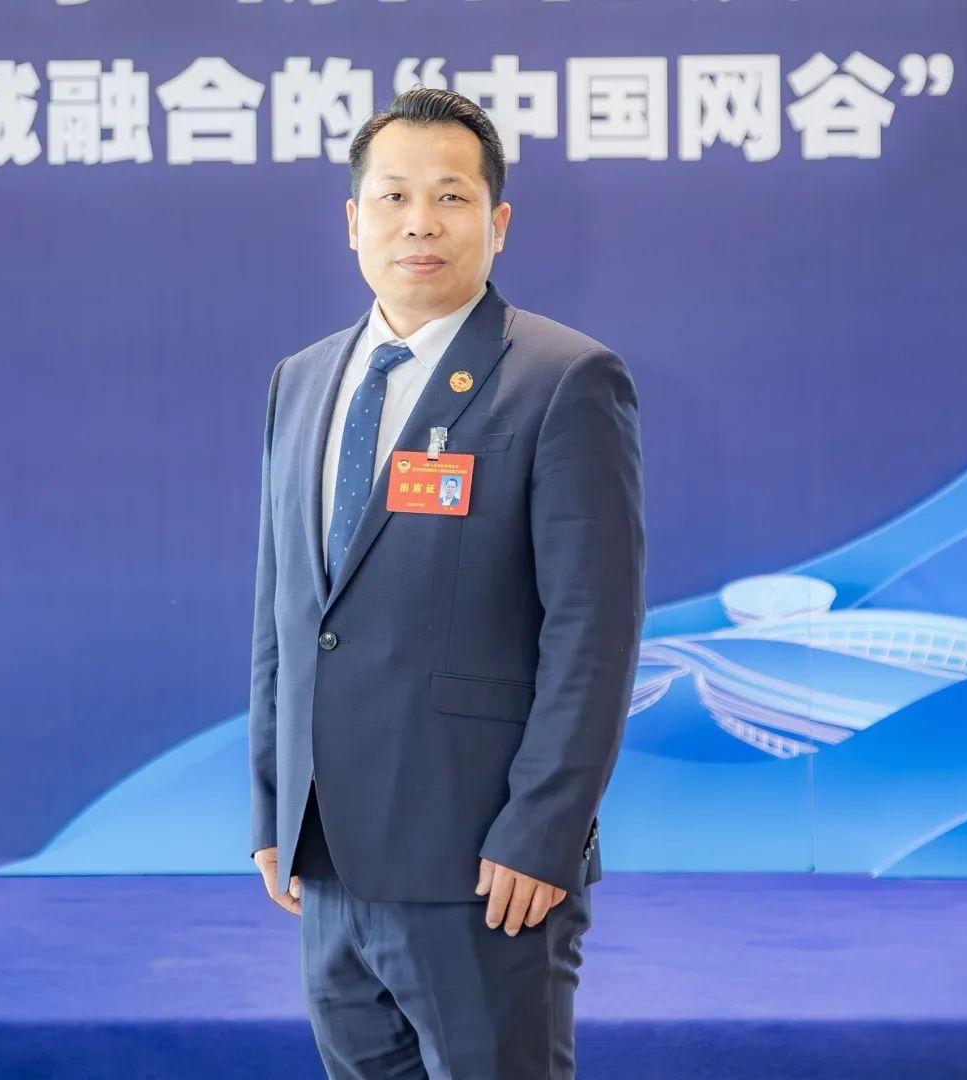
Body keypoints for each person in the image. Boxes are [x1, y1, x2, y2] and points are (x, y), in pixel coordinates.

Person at [248, 86, 645, 1079]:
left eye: (451, 196)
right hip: (327, 856)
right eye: (393, 196)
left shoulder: (563, 378)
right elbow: (285, 610)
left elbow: (592, 633)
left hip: (483, 865)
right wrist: (274, 807)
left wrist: (543, 832)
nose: (419, 221)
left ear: (498, 222)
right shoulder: (302, 379)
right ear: (353, 221)